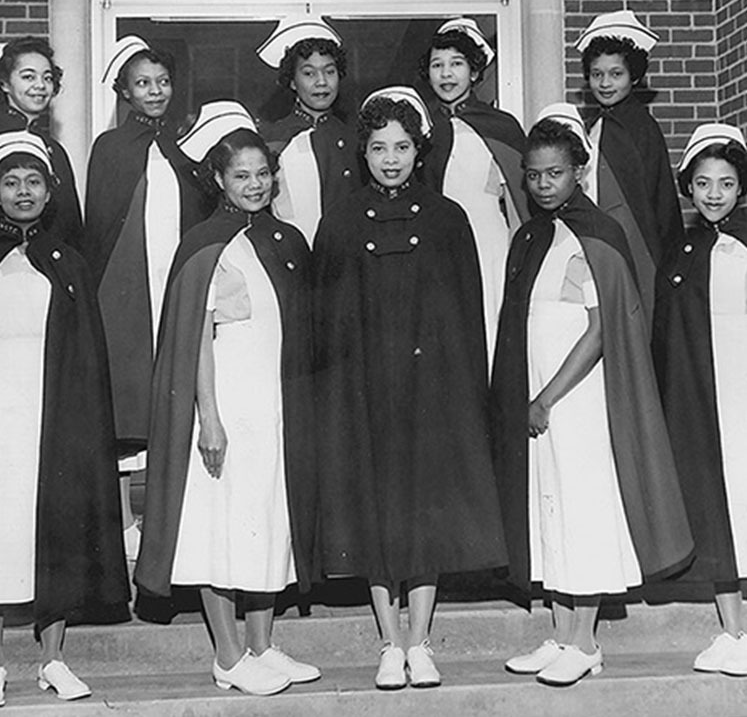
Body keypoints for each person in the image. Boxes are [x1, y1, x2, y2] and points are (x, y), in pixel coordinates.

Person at [315, 86, 507, 690]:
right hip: (366, 390)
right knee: (375, 511)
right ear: (363, 153)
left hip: (432, 391)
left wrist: (463, 395)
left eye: (401, 146)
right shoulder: (340, 220)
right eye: (379, 148)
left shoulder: (448, 219)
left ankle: (420, 641)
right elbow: (328, 322)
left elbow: (466, 316)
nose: (390, 158)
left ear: (418, 150)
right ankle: (387, 642)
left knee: (424, 512)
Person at [491, 118, 693, 686]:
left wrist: (547, 397)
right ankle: (559, 634)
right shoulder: (532, 235)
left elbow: (602, 331)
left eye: (555, 173)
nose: (543, 184)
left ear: (578, 172)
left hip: (576, 400)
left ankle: (584, 640)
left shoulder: (598, 232)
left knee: (581, 510)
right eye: (533, 176)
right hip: (538, 401)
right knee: (548, 509)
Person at [135, 101, 319, 697]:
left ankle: (263, 646)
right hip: (224, 408)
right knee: (220, 525)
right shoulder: (204, 245)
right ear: (218, 178)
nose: (254, 184)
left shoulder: (286, 240)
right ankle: (229, 655)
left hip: (276, 406)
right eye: (241, 175)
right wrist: (208, 419)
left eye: (262, 173)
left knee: (267, 520)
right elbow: (200, 341)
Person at [0, 131, 129, 706]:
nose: (22, 192)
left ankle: (52, 659)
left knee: (50, 533)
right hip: (3, 422)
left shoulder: (68, 262)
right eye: (10, 182)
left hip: (50, 422)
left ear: (51, 192)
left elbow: (86, 357)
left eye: (33, 182)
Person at [84, 35, 207, 562]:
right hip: (126, 288)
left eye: (161, 82)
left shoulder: (187, 145)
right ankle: (126, 520)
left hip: (173, 281)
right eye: (142, 84)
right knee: (127, 402)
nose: (154, 92)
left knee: (176, 395)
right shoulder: (110, 149)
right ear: (124, 92)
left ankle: (171, 517)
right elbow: (100, 226)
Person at [653, 123, 747, 676]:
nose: (714, 194)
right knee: (718, 508)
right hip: (706, 398)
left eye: (727, 183)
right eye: (704, 183)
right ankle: (731, 628)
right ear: (689, 186)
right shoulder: (681, 252)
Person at [419, 17, 529, 371]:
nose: (446, 74)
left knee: (490, 330)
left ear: (475, 71)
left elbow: (518, 203)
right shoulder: (420, 127)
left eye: (456, 64)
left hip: (489, 245)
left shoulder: (502, 126)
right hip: (434, 247)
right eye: (438, 65)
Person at [576, 9, 684, 325]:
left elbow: (659, 200)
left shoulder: (641, 129)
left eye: (615, 74)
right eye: (597, 74)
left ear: (633, 76)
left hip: (635, 244)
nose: (605, 83)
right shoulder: (592, 127)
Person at [257, 16, 360, 246]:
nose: (321, 82)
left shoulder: (355, 139)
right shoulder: (274, 140)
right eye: (309, 73)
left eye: (329, 71)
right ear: (292, 81)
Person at [0, 36, 82, 248]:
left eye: (47, 78)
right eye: (28, 77)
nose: (40, 86)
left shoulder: (55, 150)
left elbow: (71, 227)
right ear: (5, 83)